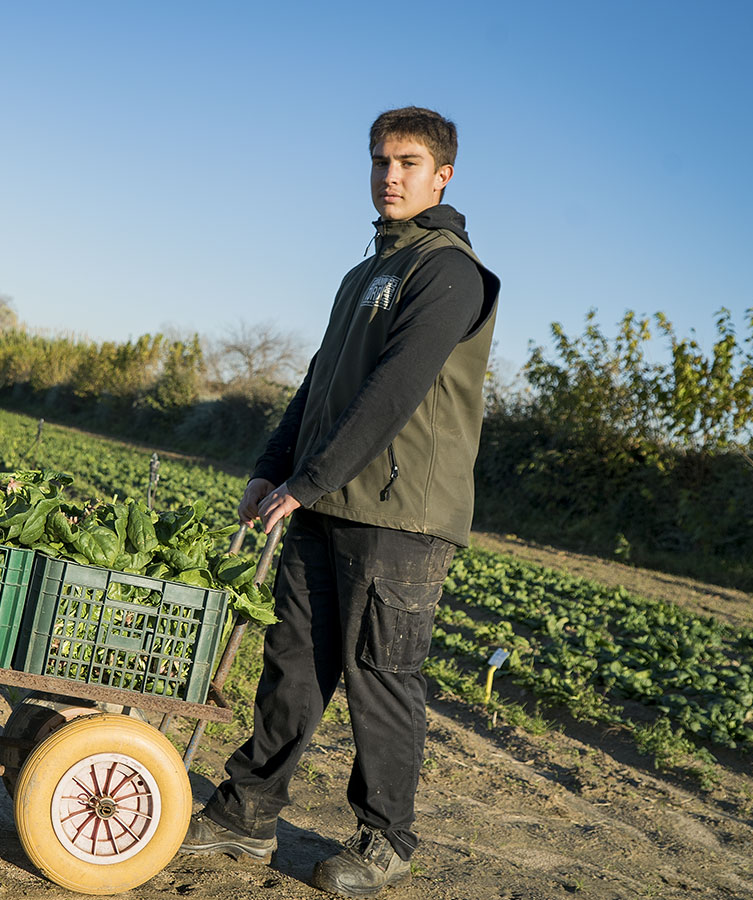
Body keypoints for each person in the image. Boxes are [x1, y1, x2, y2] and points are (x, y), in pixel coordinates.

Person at [179, 106, 500, 897]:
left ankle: (385, 840)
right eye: (381, 161)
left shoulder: (450, 271)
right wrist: (271, 467)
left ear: (443, 174)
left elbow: (394, 392)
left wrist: (309, 481)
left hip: (401, 516)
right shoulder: (364, 275)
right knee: (291, 663)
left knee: (381, 675)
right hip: (326, 504)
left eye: (409, 162)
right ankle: (247, 813)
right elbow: (320, 384)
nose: (391, 176)